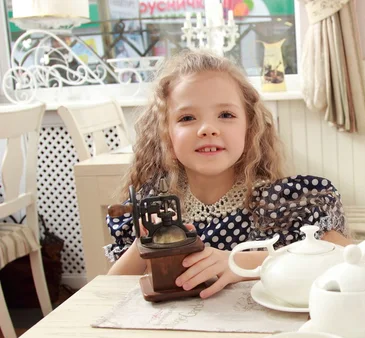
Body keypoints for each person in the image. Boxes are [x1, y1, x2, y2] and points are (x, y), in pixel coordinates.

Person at [105, 49, 351, 298]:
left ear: (250, 126)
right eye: (187, 117)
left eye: (226, 115)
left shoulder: (289, 201)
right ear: (166, 134)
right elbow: (109, 291)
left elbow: (346, 257)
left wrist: (240, 264)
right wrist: (144, 244)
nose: (208, 129)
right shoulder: (155, 203)